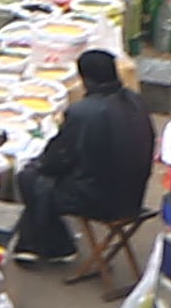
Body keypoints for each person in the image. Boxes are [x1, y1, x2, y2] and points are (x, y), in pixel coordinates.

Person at [14, 48, 160, 267]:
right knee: (45, 178)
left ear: (86, 80)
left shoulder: (84, 111)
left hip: (101, 200)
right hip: (133, 195)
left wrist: (39, 163)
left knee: (29, 177)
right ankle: (36, 244)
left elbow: (55, 160)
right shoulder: (135, 101)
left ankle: (55, 246)